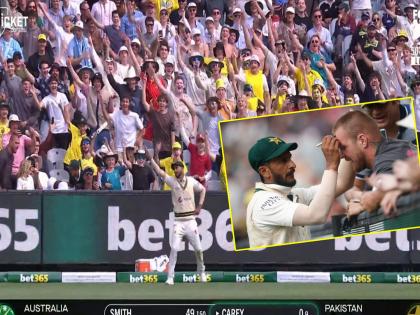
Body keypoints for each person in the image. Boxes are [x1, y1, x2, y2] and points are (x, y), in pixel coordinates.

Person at [246, 135, 354, 247]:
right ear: (264, 171)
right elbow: (316, 215)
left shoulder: (293, 194)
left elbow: (341, 183)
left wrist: (345, 150)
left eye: (289, 158)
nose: (293, 165)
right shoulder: (263, 203)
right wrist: (331, 165)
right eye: (283, 161)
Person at [333, 110, 416, 217]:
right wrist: (362, 197)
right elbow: (350, 192)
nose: (341, 156)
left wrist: (363, 204)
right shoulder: (383, 152)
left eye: (343, 148)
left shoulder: (386, 160)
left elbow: (377, 198)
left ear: (362, 140)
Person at [147, 149, 207, 285]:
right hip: (178, 222)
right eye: (174, 168)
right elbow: (160, 172)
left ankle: (202, 272)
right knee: (174, 248)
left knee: (198, 249)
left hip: (191, 221)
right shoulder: (172, 181)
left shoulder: (191, 181)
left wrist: (200, 206)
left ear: (183, 168)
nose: (175, 170)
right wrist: (151, 160)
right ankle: (170, 277)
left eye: (177, 167)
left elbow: (203, 190)